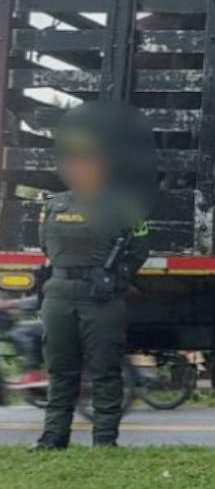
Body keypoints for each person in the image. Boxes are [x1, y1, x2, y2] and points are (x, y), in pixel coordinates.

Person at [31, 106, 150, 450]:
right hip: (59, 294)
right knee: (61, 371)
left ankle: (104, 440)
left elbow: (139, 246)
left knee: (105, 371)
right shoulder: (53, 204)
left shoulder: (124, 205)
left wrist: (118, 276)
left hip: (101, 297)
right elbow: (44, 243)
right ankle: (53, 437)